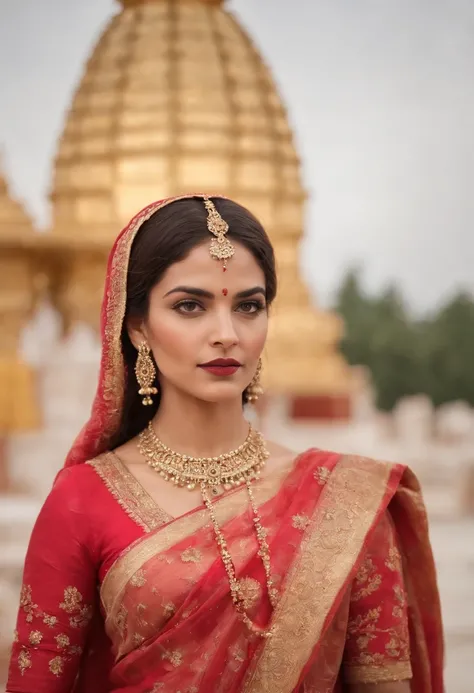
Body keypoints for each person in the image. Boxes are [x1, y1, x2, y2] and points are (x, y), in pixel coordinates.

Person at [6, 194, 444, 693]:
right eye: (190, 306)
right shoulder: (82, 500)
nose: (226, 334)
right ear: (137, 327)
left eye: (248, 307)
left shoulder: (346, 500)